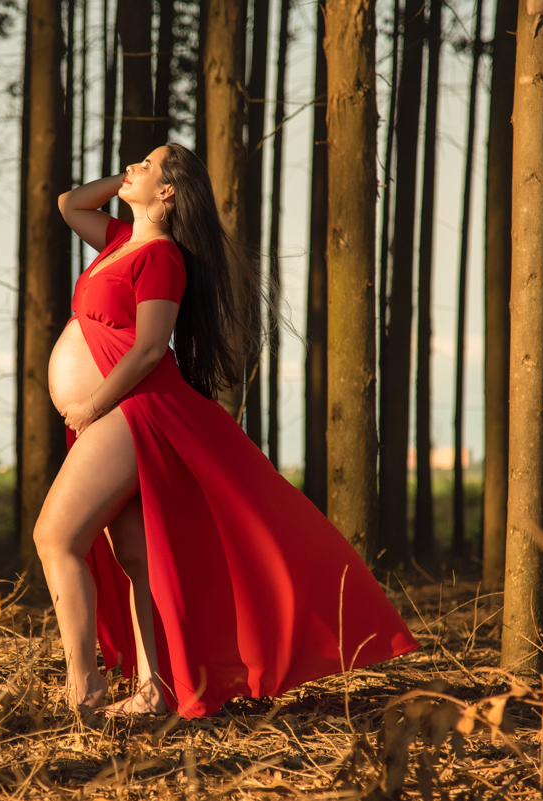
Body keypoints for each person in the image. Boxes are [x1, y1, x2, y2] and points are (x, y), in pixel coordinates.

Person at [35, 142, 418, 718]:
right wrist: (130, 179)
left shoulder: (162, 257)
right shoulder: (118, 242)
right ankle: (154, 689)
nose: (133, 165)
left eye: (148, 163)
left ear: (168, 192)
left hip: (129, 411)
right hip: (110, 411)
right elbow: (69, 204)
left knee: (55, 537)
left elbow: (146, 350)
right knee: (137, 555)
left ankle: (83, 685)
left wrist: (91, 405)